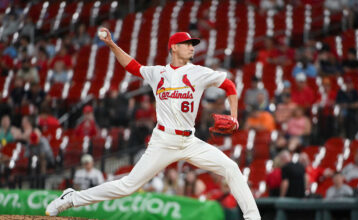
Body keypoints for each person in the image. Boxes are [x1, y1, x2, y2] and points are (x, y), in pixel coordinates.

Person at [46, 30, 261, 220]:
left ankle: (253, 217)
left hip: (189, 140)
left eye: (192, 45)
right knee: (128, 185)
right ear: (174, 48)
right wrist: (112, 45)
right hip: (163, 141)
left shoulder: (199, 72)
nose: (192, 48)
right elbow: (132, 66)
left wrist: (234, 117)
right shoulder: (158, 72)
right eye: (187, 44)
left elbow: (230, 85)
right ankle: (71, 198)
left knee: (231, 167)